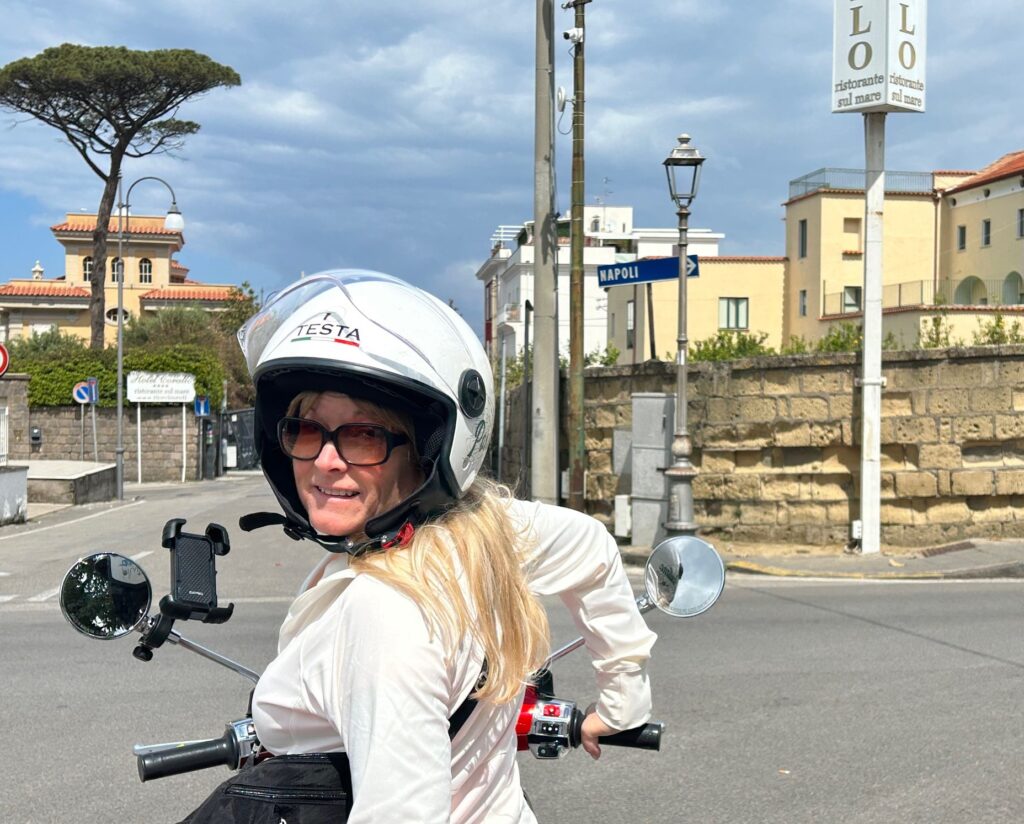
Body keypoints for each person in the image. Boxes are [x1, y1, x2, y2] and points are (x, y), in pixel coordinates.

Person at [235, 269, 657, 822]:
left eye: (364, 435)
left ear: (426, 453)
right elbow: (591, 545)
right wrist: (624, 701)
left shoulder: (383, 615)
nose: (325, 460)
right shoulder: (485, 530)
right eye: (307, 430)